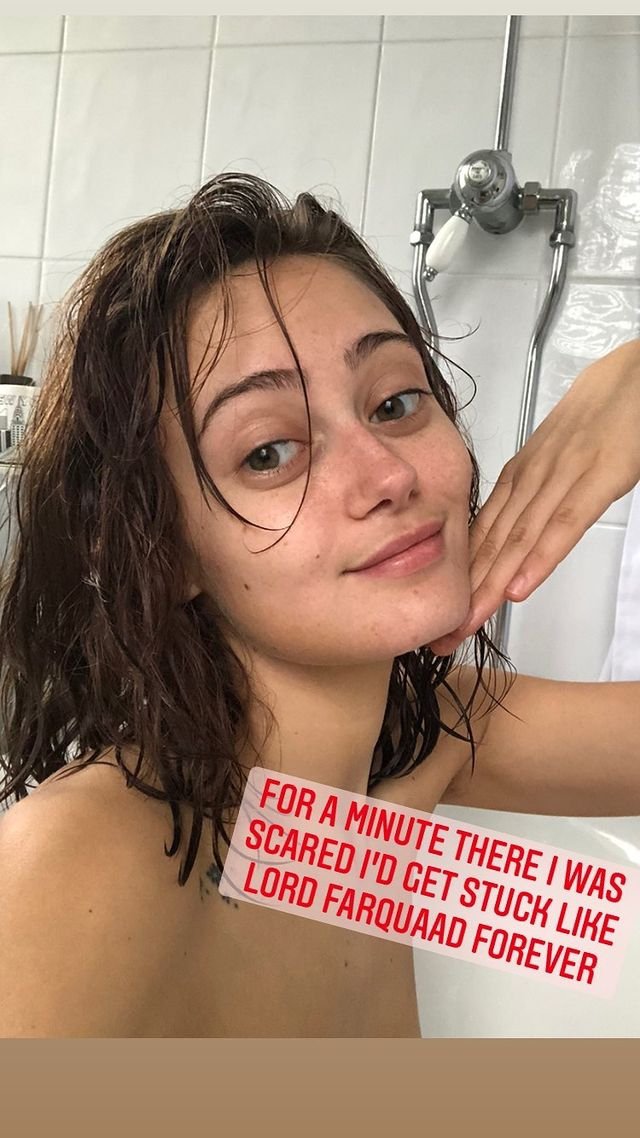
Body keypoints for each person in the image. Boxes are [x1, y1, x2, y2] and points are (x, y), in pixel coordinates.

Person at [0, 173, 638, 1038]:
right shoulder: (86, 857)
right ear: (164, 550)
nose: (389, 475)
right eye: (268, 452)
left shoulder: (418, 750)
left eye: (396, 402)